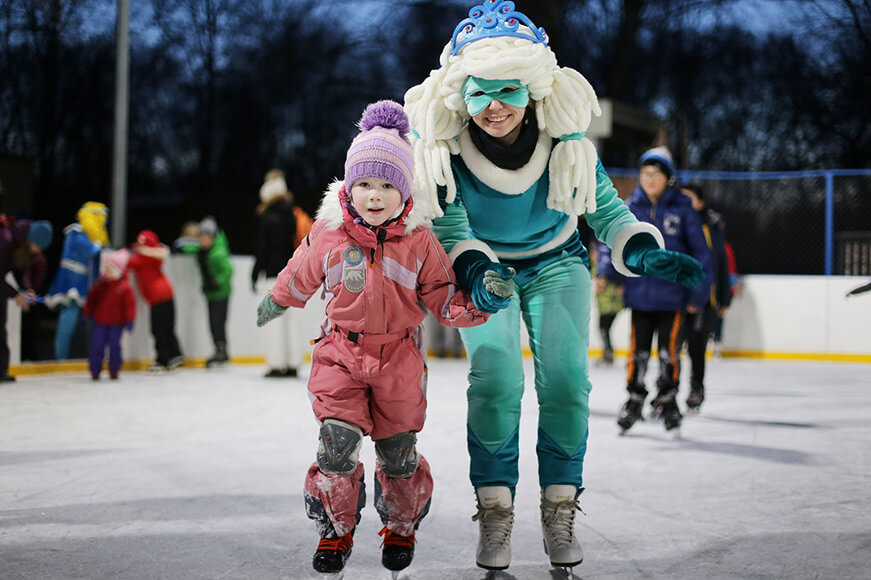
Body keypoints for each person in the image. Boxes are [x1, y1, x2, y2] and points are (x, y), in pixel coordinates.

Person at [403, 2, 704, 572]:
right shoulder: (444, 154)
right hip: (483, 270)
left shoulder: (567, 145)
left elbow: (609, 214)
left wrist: (641, 249)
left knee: (566, 381)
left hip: (556, 262)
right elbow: (451, 228)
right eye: (480, 93)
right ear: (458, 93)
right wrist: (475, 274)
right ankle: (495, 510)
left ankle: (559, 505)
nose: (494, 108)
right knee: (495, 379)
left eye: (509, 92)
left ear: (534, 89)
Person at [255, 100, 511, 575]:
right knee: (336, 446)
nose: (375, 196)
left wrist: (481, 303)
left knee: (397, 454)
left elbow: (442, 297)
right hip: (339, 353)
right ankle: (335, 529)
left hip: (399, 358)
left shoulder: (420, 240)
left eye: (387, 185)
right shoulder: (328, 234)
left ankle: (400, 525)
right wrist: (277, 299)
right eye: (365, 185)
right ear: (349, 188)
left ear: (405, 191)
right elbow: (300, 271)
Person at [610, 148, 712, 433]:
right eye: (645, 173)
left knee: (669, 353)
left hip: (672, 298)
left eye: (656, 174)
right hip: (640, 295)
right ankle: (634, 398)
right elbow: (612, 241)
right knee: (637, 352)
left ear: (668, 178)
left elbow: (701, 255)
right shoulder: (631, 206)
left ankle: (667, 399)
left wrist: (698, 293)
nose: (649, 179)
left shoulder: (683, 210)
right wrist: (609, 272)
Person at [679, 183, 731, 410]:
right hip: (674, 298)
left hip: (704, 299)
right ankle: (666, 391)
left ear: (700, 203)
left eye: (689, 199)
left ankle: (696, 388)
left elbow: (720, 262)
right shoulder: (673, 224)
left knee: (696, 346)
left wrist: (723, 297)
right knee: (670, 347)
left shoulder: (711, 228)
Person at [251, 169, 302, 377]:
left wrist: (255, 273)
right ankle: (293, 362)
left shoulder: (268, 216)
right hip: (293, 273)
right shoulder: (293, 213)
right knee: (292, 320)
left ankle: (276, 363)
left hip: (274, 274)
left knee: (274, 319)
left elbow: (263, 248)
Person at [45, 202, 109, 359]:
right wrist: (98, 243)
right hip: (72, 284)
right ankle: (61, 360)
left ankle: (95, 356)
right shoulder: (75, 231)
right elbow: (90, 250)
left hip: (89, 285)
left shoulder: (91, 236)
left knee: (92, 324)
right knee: (68, 324)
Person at [0, 217, 52, 381]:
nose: (37, 251)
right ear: (29, 240)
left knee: (1, 329)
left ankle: (1, 370)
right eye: (36, 246)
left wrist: (26, 289)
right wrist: (15, 294)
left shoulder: (21, 247)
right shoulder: (4, 240)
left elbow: (21, 270)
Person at [179, 216, 234, 367]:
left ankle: (222, 351)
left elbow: (228, 270)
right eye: (201, 237)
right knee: (213, 323)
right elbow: (189, 247)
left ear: (212, 237)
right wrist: (180, 247)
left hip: (221, 293)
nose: (202, 240)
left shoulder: (218, 253)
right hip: (210, 293)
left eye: (205, 237)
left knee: (218, 323)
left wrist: (217, 282)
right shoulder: (204, 250)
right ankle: (219, 350)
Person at [127, 230, 185, 372]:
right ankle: (175, 356)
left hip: (160, 297)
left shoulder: (143, 258)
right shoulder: (145, 258)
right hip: (164, 295)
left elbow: (164, 252)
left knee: (160, 330)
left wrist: (143, 250)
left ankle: (164, 359)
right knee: (166, 329)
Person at [82, 249, 136, 380]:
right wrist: (86, 313)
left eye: (110, 269)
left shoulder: (124, 287)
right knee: (97, 346)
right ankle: (95, 370)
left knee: (114, 347)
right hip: (100, 322)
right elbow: (91, 300)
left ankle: (114, 369)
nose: (107, 272)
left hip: (116, 324)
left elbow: (130, 305)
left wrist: (129, 319)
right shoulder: (99, 286)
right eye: (105, 269)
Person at [592, 242, 624, 365]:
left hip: (609, 302)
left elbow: (605, 268)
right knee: (603, 327)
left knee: (603, 326)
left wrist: (602, 276)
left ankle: (608, 352)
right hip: (607, 301)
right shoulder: (602, 258)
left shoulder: (605, 252)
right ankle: (608, 352)